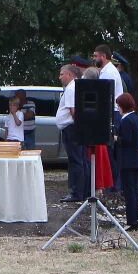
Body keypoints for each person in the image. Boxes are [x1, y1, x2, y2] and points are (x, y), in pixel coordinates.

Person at [53, 63, 86, 205]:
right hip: (70, 128)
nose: (59, 77)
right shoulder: (71, 87)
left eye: (62, 74)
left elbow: (73, 111)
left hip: (71, 128)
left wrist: (77, 127)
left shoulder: (72, 88)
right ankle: (77, 190)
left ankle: (76, 192)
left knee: (75, 160)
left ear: (70, 75)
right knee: (75, 160)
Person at [112, 92, 138, 231]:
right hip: (136, 159)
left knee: (129, 191)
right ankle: (134, 219)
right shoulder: (136, 119)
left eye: (119, 105)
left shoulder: (126, 120)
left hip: (128, 160)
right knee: (134, 191)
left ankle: (132, 221)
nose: (118, 108)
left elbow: (127, 140)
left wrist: (115, 138)